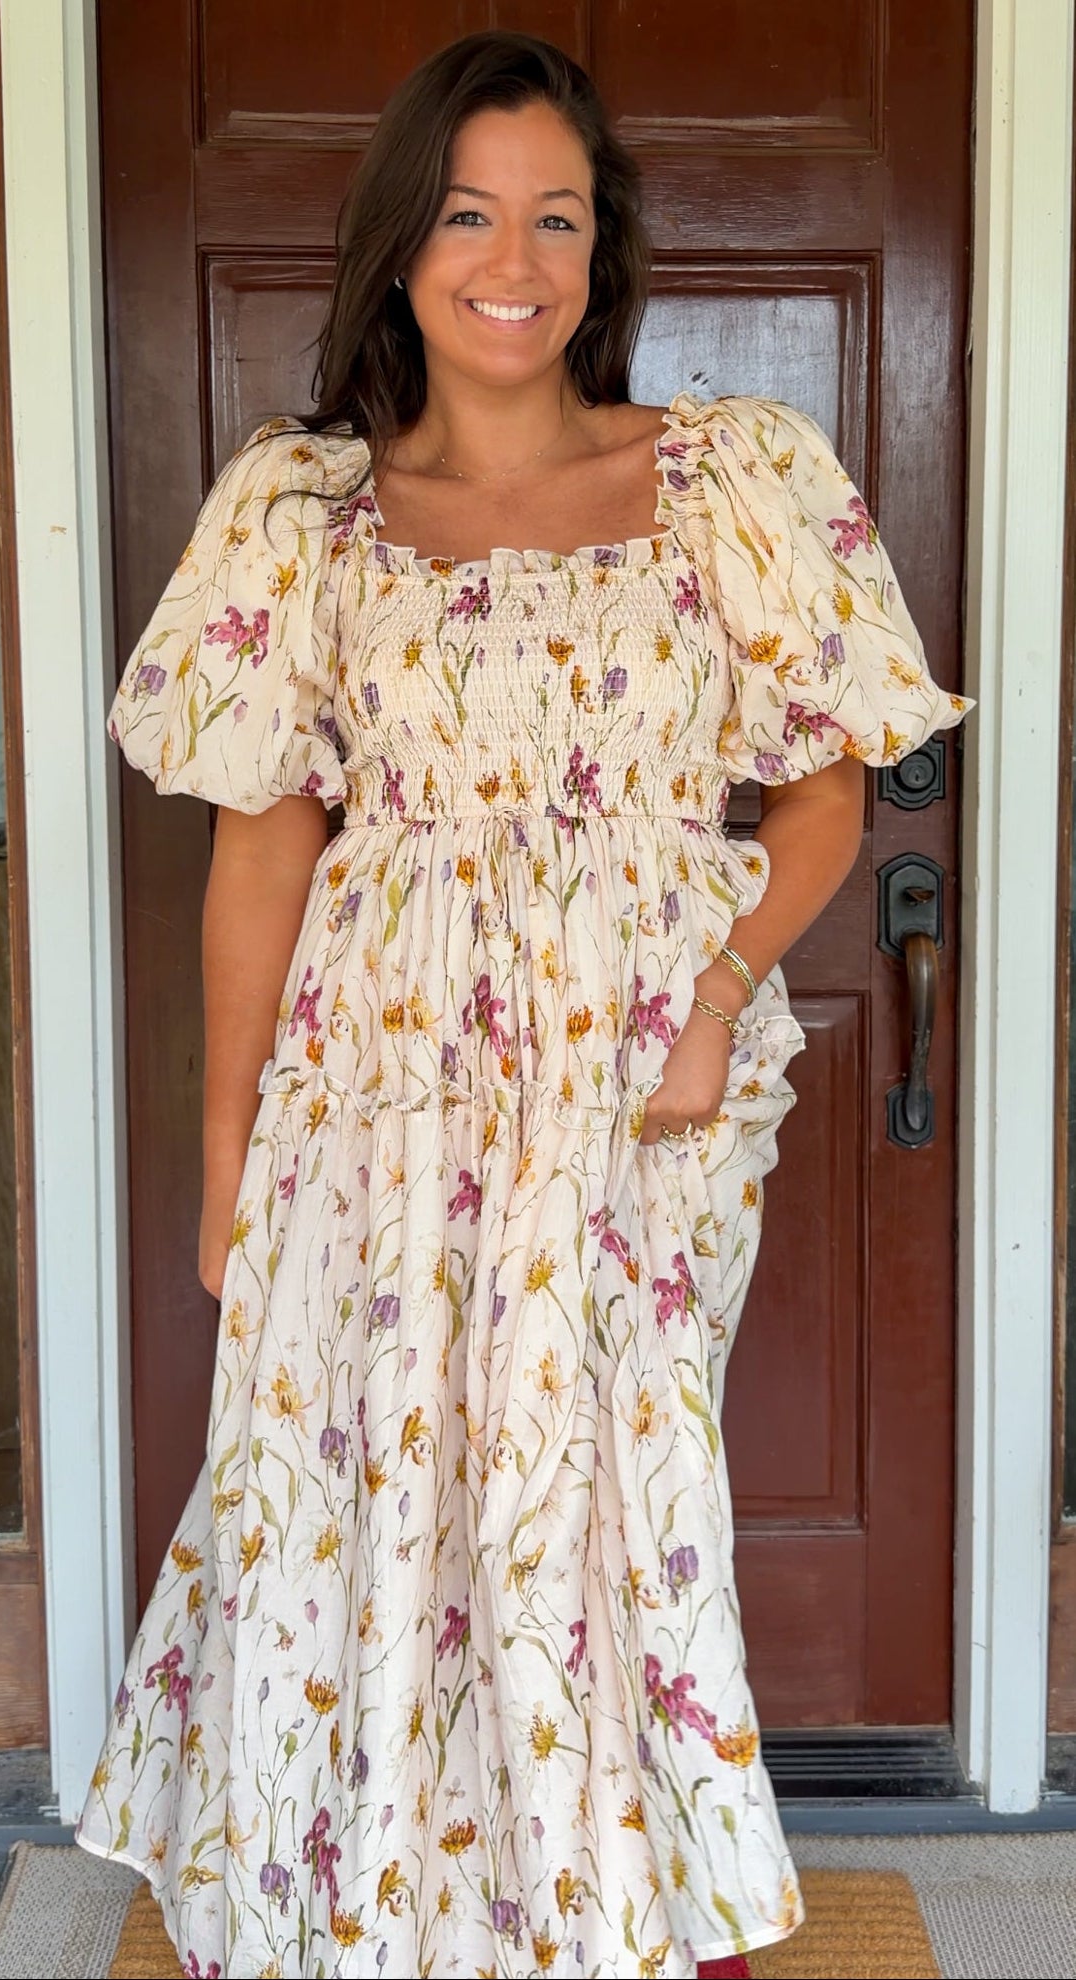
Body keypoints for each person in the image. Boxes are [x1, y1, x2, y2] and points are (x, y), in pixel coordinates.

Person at [76, 29, 971, 1980]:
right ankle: (372, 1908)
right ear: (401, 245)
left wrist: (725, 993)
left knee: (599, 1504)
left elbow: (825, 790)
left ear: (603, 250)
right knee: (366, 1487)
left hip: (638, 1095)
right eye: (469, 210)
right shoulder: (299, 511)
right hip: (369, 1096)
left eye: (553, 215)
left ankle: (622, 1924)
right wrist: (227, 1162)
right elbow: (262, 850)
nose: (511, 256)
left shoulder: (726, 477)